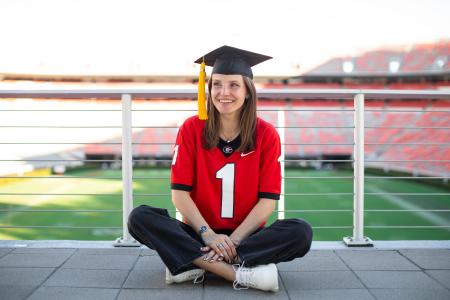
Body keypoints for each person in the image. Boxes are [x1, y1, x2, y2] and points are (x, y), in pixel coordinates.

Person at [127, 45, 313, 292]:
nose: (224, 92)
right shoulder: (191, 129)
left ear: (248, 91)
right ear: (209, 88)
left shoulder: (266, 135)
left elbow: (267, 202)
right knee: (139, 218)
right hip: (199, 232)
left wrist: (232, 241)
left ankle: (193, 263)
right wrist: (209, 236)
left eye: (234, 85)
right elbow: (179, 195)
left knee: (301, 232)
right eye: (217, 84)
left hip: (247, 237)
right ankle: (237, 273)